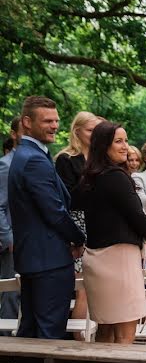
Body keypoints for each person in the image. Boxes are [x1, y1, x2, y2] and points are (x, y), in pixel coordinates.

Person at [79, 121, 146, 363]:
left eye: (126, 141)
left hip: (96, 257)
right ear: (104, 145)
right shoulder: (116, 177)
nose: (125, 146)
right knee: (125, 335)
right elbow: (136, 214)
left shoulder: (89, 177)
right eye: (118, 141)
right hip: (119, 257)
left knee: (105, 331)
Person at [10, 96, 85, 338]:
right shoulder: (33, 159)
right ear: (27, 122)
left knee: (31, 329)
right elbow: (54, 212)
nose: (54, 126)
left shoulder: (28, 154)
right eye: (47, 121)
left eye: (56, 120)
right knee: (48, 332)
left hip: (36, 257)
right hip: (48, 259)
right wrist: (78, 238)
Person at [56, 111, 100, 323]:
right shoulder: (66, 159)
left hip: (99, 224)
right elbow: (68, 197)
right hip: (78, 224)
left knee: (96, 286)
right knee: (83, 286)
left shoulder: (103, 159)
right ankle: (78, 337)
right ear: (77, 131)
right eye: (91, 130)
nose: (95, 135)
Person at [0, 117, 23, 321]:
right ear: (14, 134)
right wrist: (9, 238)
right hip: (14, 242)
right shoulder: (6, 164)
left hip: (32, 239)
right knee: (10, 291)